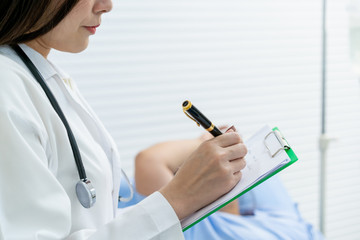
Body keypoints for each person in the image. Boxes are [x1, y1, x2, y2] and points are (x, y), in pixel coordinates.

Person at [0, 1, 247, 239]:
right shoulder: (7, 86)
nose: (107, 5)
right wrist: (178, 198)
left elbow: (96, 224)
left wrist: (176, 202)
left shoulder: (41, 78)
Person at [123, 133, 325, 240]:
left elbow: (149, 160)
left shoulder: (281, 218)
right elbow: (148, 161)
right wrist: (207, 145)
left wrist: (205, 145)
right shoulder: (199, 227)